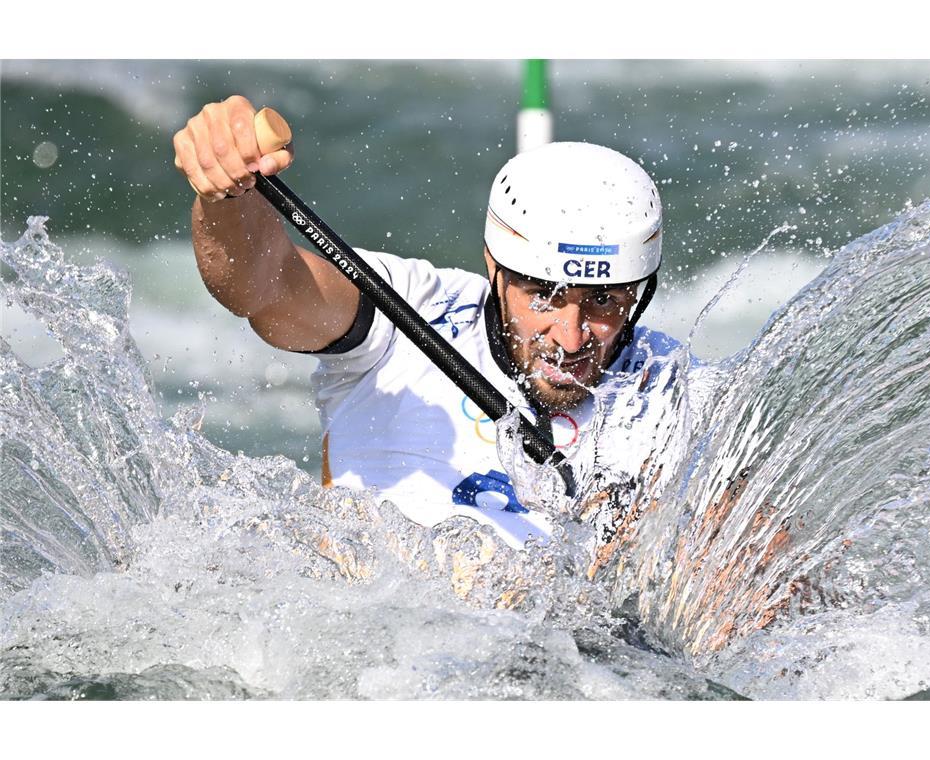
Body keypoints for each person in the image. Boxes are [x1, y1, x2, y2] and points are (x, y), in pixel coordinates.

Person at [173, 95, 681, 552]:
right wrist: (229, 197)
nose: (571, 338)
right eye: (544, 297)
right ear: (494, 268)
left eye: (604, 302)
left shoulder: (676, 392)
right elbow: (261, 287)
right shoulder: (407, 309)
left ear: (640, 293)